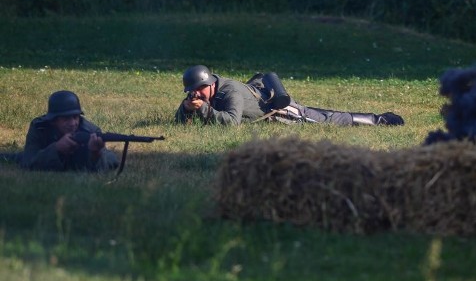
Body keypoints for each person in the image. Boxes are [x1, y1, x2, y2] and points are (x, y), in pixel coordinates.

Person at [175, 65, 405, 126]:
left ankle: (379, 120)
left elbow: (231, 122)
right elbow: (178, 120)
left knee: (326, 118)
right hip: (262, 102)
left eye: (198, 91)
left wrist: (202, 110)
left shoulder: (229, 91)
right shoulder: (206, 92)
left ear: (210, 84)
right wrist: (186, 108)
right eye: (192, 92)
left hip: (280, 111)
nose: (196, 95)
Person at [19, 90, 119, 172]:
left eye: (76, 117)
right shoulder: (40, 128)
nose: (72, 123)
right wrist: (56, 148)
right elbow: (28, 163)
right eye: (66, 118)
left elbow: (112, 160)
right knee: (16, 157)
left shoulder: (90, 131)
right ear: (53, 120)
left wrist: (96, 153)